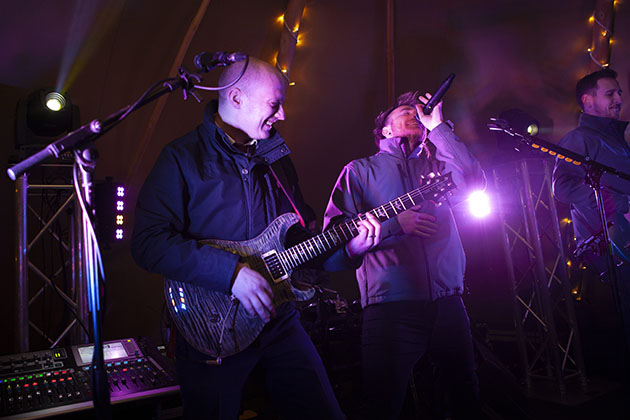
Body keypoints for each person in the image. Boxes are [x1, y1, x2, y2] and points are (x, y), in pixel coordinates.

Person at [131, 56, 380, 419]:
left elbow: (303, 246)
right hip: (210, 326)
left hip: (278, 320)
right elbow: (148, 243)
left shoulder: (277, 159)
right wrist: (231, 274)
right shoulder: (181, 158)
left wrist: (351, 250)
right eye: (274, 104)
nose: (282, 116)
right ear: (236, 98)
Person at [323, 90, 485, 419]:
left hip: (448, 301)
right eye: (404, 113)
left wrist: (438, 128)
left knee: (465, 396)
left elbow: (473, 182)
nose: (415, 114)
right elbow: (334, 252)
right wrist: (395, 225)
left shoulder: (438, 161)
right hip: (390, 309)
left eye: (418, 112)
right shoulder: (358, 171)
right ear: (385, 130)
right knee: (384, 404)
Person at [552, 68, 630, 363]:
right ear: (588, 100)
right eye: (610, 93)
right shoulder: (579, 139)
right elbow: (563, 187)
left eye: (619, 92)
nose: (619, 98)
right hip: (612, 249)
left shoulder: (619, 138)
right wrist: (623, 205)